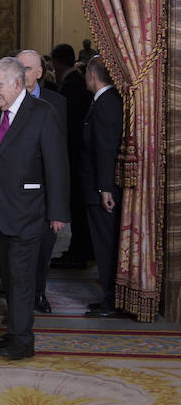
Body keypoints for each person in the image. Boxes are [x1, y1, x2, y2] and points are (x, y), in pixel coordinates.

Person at [0, 57, 69, 360]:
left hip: (29, 210)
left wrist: (58, 212)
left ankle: (23, 342)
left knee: (23, 277)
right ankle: (14, 331)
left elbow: (57, 165)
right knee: (9, 277)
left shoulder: (43, 114)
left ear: (17, 83)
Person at [17, 49, 68, 315]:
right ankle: (17, 301)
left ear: (39, 72)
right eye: (18, 67)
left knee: (43, 248)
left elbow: (60, 157)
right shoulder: (4, 99)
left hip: (44, 191)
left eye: (27, 68)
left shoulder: (56, 103)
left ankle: (38, 293)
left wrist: (59, 205)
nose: (22, 73)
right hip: (13, 192)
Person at [80, 56, 125, 318]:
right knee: (102, 243)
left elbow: (105, 148)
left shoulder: (107, 103)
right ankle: (109, 296)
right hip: (96, 185)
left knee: (105, 244)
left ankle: (111, 300)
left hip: (100, 189)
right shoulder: (102, 101)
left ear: (92, 75)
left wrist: (104, 188)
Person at [49, 43, 94, 270]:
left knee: (77, 206)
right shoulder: (74, 82)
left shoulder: (71, 85)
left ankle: (78, 252)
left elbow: (68, 124)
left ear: (57, 61)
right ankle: (80, 249)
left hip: (74, 156)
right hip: (77, 154)